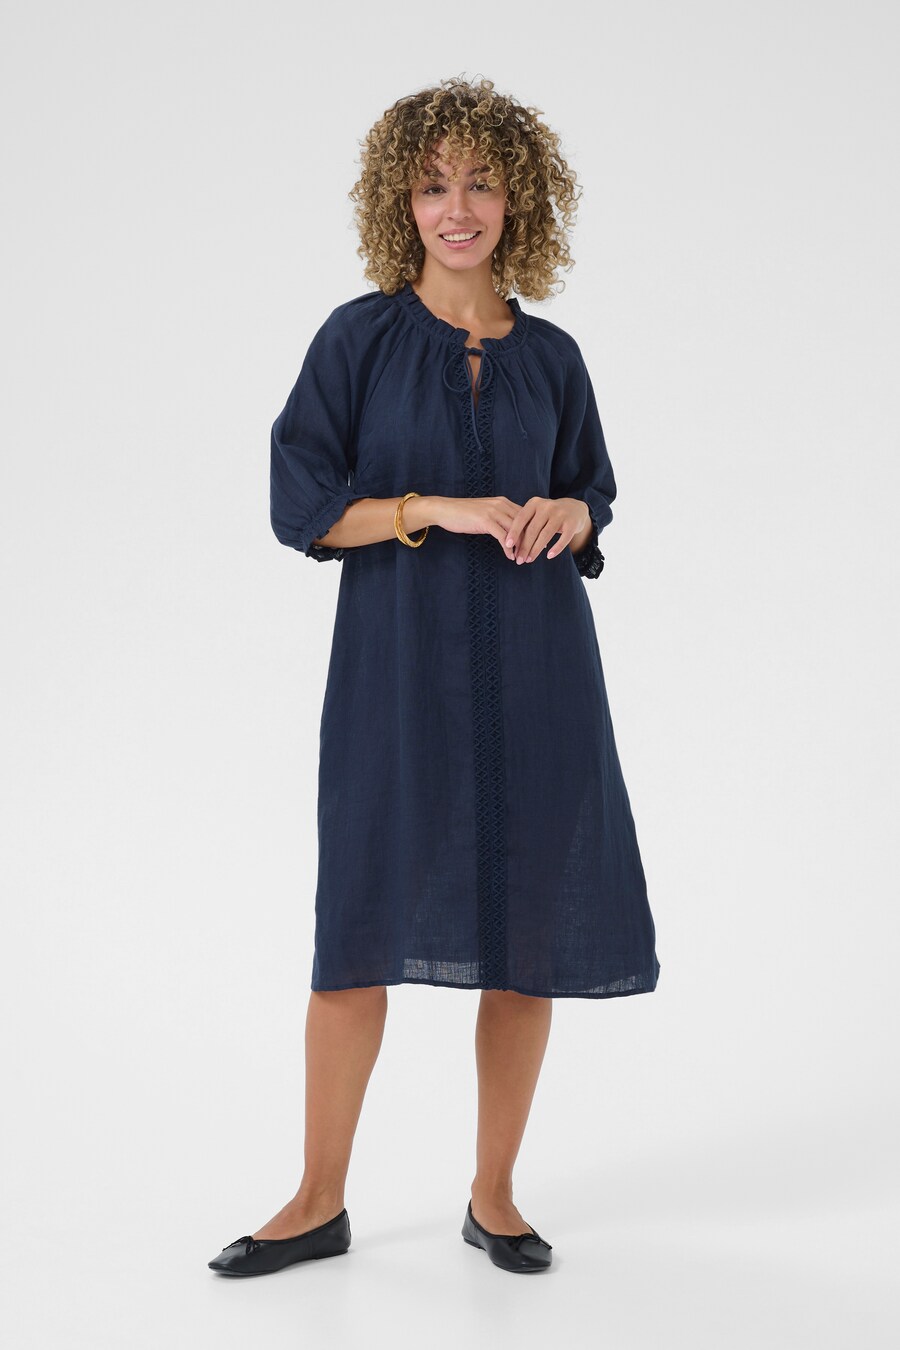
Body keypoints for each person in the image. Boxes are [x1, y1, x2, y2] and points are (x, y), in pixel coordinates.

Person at [208, 75, 661, 1280]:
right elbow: (303, 505)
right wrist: (436, 507)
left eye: (481, 183)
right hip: (395, 682)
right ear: (398, 203)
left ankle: (494, 1197)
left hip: (542, 677)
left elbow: (591, 490)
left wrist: (573, 511)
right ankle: (317, 1200)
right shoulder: (356, 341)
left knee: (528, 939)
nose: (457, 208)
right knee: (355, 932)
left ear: (519, 200)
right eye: (432, 185)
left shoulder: (554, 356)